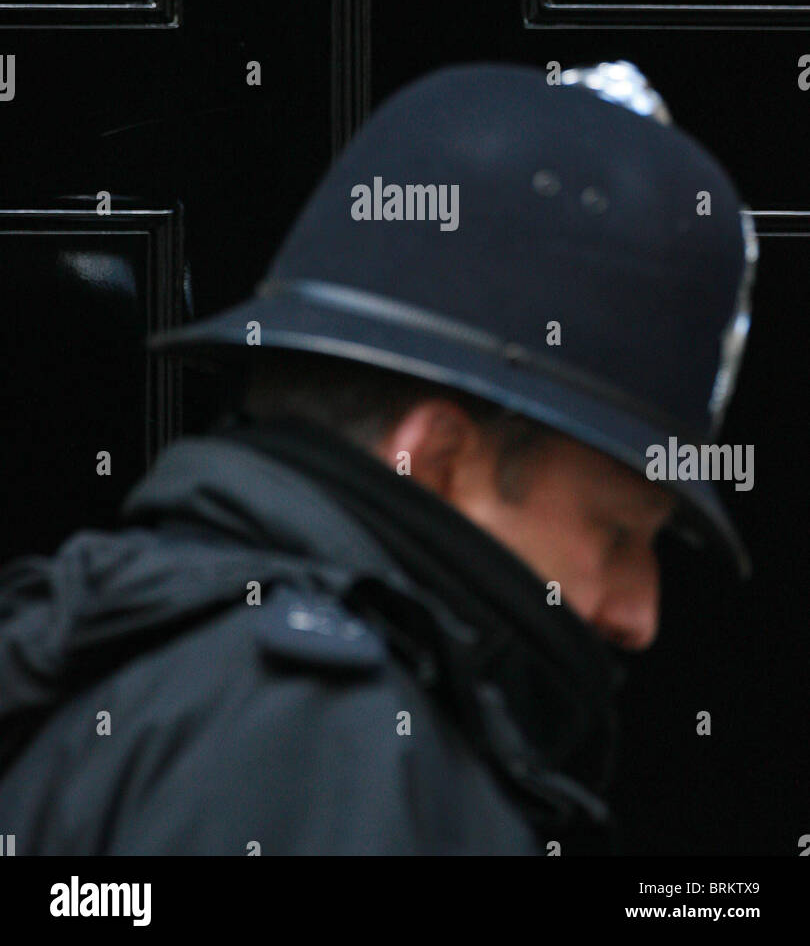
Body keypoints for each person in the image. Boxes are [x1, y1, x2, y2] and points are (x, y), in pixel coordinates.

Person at [0, 62, 757, 855]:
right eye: (617, 534)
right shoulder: (311, 735)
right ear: (434, 460)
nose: (642, 614)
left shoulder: (152, 654)